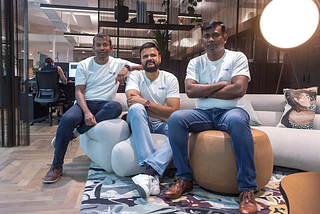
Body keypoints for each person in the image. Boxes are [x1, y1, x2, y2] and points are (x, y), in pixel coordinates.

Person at [164, 20, 258, 214]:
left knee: (239, 121)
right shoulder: (195, 62)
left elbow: (239, 89)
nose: (211, 39)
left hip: (231, 112)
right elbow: (190, 91)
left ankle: (247, 189)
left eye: (215, 35)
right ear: (202, 41)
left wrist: (204, 90)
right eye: (206, 36)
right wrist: (222, 84)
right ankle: (184, 178)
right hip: (203, 114)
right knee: (176, 119)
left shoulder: (237, 58)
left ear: (224, 38)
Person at [43, 33, 142, 184]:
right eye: (98, 45)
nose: (102, 48)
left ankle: (75, 133)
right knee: (67, 119)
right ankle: (57, 166)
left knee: (116, 106)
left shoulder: (118, 63)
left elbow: (143, 66)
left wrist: (127, 68)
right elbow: (79, 92)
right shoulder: (85, 64)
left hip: (105, 104)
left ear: (111, 48)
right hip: (85, 102)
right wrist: (87, 112)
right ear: (93, 47)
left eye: (105, 45)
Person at [126, 42, 180, 200]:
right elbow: (132, 102)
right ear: (141, 61)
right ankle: (153, 171)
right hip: (139, 120)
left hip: (161, 123)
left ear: (159, 58)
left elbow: (174, 112)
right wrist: (161, 112)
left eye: (152, 55)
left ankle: (150, 175)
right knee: (136, 109)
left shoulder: (170, 79)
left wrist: (146, 103)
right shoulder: (135, 75)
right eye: (145, 56)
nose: (149, 58)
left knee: (181, 128)